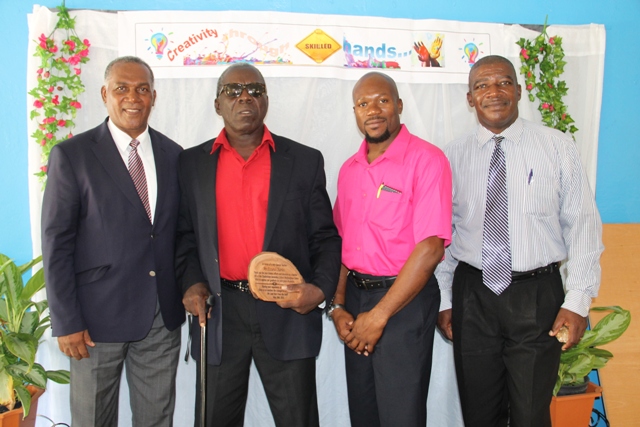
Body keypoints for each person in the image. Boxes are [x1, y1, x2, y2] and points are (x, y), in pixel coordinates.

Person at [435, 55, 604, 427]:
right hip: (473, 294)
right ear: (469, 98)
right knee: (480, 413)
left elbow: (583, 227)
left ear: (519, 90)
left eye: (503, 82)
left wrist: (577, 303)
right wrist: (446, 301)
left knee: (530, 414)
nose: (493, 92)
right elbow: (443, 235)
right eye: (481, 85)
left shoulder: (557, 147)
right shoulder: (450, 156)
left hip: (536, 296)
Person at [176, 62, 342, 427]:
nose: (245, 96)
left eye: (255, 89)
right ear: (217, 104)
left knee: (298, 419)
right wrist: (191, 283)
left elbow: (325, 237)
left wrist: (319, 290)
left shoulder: (304, 160)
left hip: (285, 308)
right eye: (232, 91)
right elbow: (184, 236)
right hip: (219, 311)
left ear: (266, 100)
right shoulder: (190, 164)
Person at [41, 56, 185, 426]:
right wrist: (66, 320)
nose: (132, 97)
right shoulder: (72, 156)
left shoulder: (175, 156)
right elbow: (57, 244)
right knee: (92, 420)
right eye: (122, 88)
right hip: (93, 322)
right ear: (105, 94)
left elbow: (181, 234)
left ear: (154, 96)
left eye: (142, 89)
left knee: (157, 419)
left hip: (159, 319)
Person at [330, 71, 452, 427]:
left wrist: (379, 316)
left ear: (398, 105)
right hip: (355, 300)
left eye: (382, 100)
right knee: (364, 412)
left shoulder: (427, 159)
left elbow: (430, 248)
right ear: (354, 112)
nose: (373, 110)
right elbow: (339, 241)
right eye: (363, 103)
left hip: (404, 303)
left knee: (401, 414)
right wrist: (338, 307)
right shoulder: (349, 169)